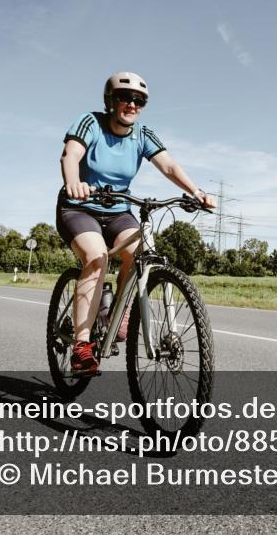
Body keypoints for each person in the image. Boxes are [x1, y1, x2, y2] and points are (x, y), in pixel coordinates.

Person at [57, 71, 215, 376]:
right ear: (110, 101)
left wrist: (195, 192)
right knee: (97, 257)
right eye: (125, 98)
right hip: (79, 206)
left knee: (138, 253)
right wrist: (74, 182)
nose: (132, 104)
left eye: (138, 101)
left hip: (117, 210)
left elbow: (167, 164)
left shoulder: (142, 133)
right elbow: (70, 154)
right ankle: (81, 346)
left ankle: (120, 313)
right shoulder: (91, 122)